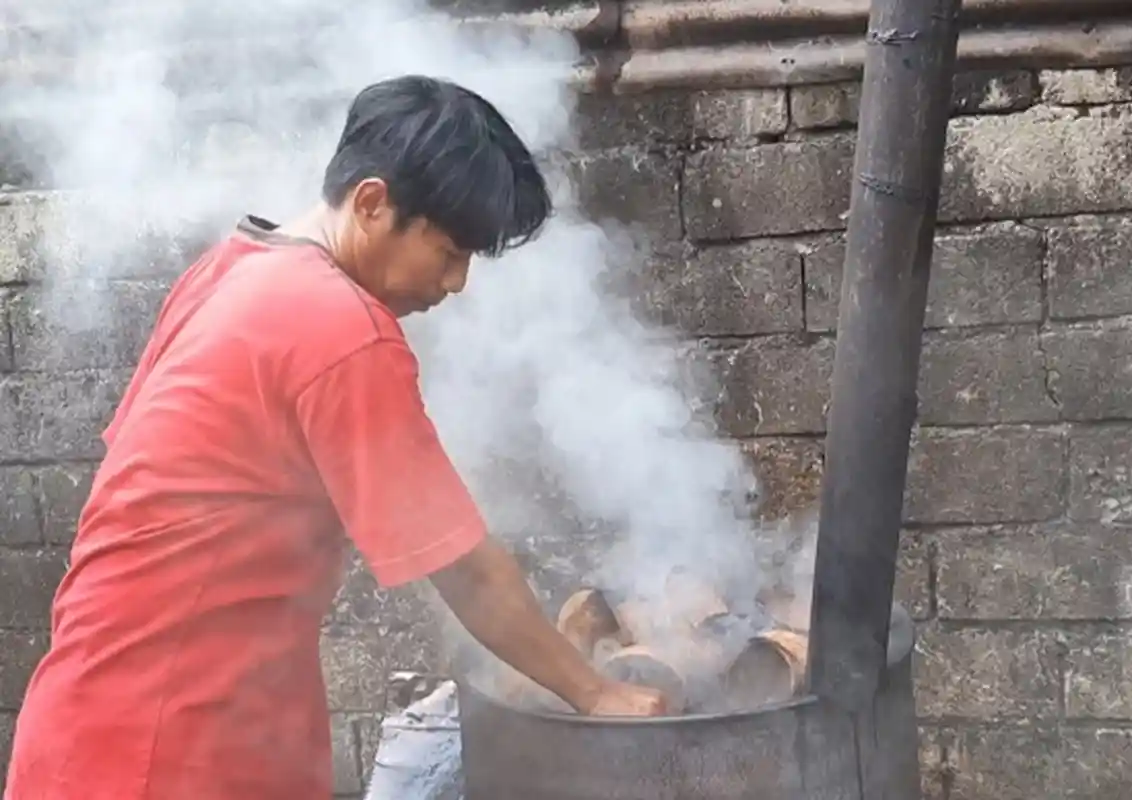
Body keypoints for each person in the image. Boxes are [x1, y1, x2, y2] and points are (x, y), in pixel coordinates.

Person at [3, 75, 667, 800]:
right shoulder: (341, 328)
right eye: (449, 252)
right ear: (372, 202)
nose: (456, 283)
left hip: (85, 726)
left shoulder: (229, 269)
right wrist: (596, 693)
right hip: (167, 754)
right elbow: (464, 570)